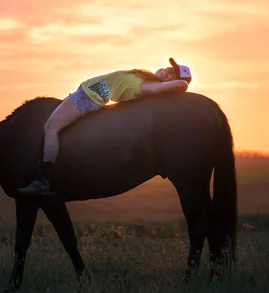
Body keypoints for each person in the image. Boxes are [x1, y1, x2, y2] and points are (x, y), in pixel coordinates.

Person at [18, 58, 193, 196]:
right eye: (170, 68)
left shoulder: (149, 86)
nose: (168, 70)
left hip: (86, 99)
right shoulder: (144, 77)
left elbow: (182, 85)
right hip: (84, 94)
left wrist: (182, 82)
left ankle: (42, 181)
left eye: (173, 74)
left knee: (51, 128)